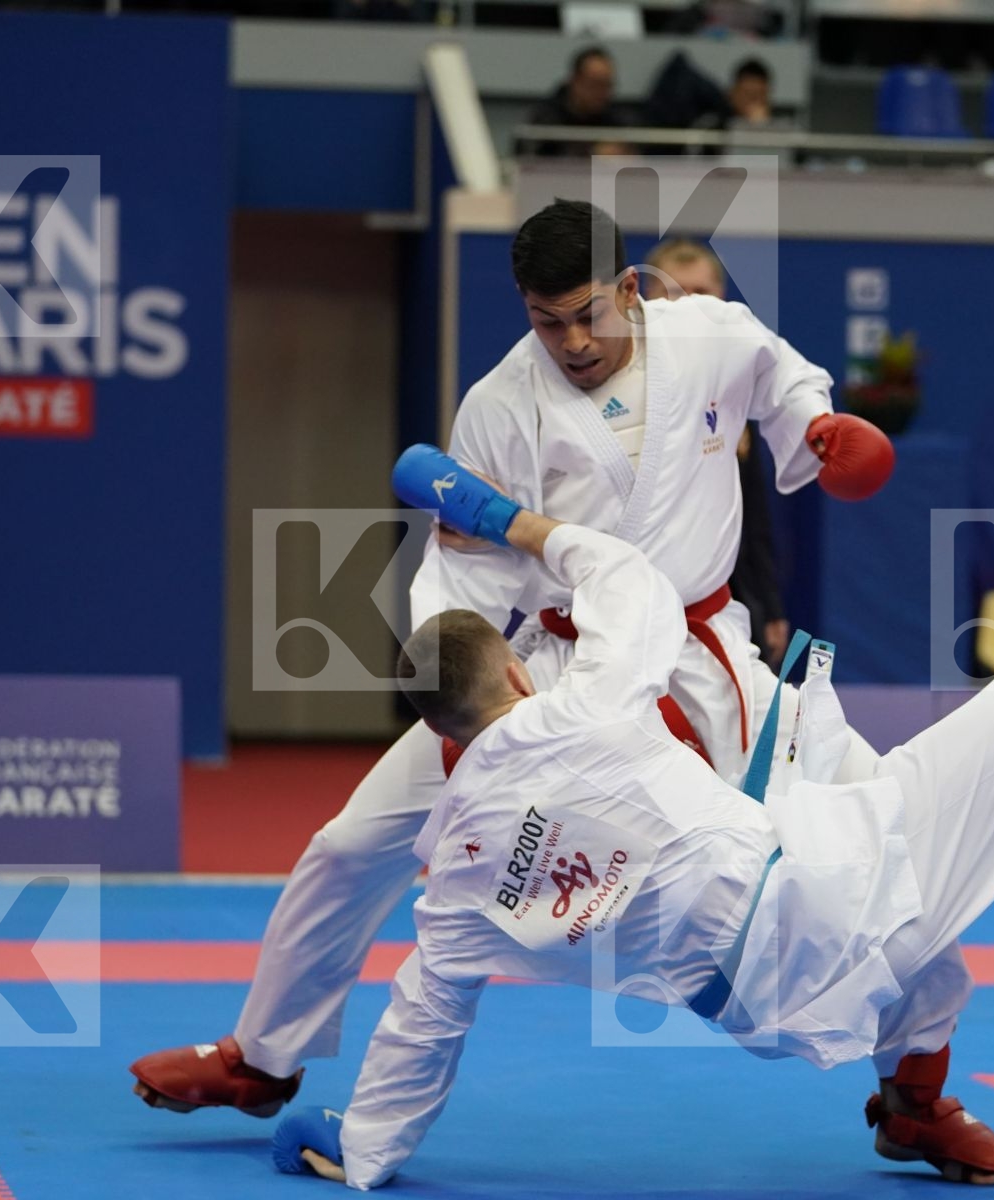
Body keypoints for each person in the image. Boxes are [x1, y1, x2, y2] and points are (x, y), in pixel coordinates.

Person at [263, 446, 994, 1190]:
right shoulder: (586, 708)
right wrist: (502, 515)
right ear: (511, 665)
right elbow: (629, 577)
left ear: (437, 737)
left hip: (765, 1013)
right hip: (837, 888)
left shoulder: (449, 880)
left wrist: (359, 1149)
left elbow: (422, 1026)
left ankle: (916, 1103)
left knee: (830, 786)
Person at [128, 201, 900, 1120]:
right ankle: (261, 1060)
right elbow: (463, 576)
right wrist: (466, 722)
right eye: (546, 320)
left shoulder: (709, 333)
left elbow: (784, 377)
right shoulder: (498, 408)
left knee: (884, 818)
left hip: (707, 663)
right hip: (548, 672)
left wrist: (817, 425)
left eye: (587, 313)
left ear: (630, 289)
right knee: (350, 845)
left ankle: (916, 1092)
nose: (571, 340)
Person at [642, 239, 790, 668]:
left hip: (730, 597)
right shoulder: (618, 392)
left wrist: (771, 605)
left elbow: (755, 520)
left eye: (700, 293)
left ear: (722, 299)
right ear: (642, 297)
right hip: (648, 602)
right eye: (673, 292)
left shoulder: (734, 393)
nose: (687, 306)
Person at [519, 47, 633, 158]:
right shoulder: (545, 118)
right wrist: (590, 155)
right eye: (595, 84)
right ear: (575, 81)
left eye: (608, 85)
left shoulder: (617, 117)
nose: (602, 92)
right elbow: (529, 160)